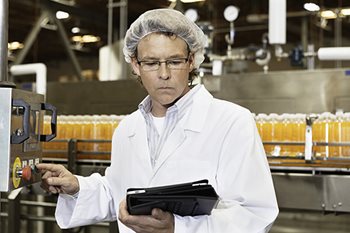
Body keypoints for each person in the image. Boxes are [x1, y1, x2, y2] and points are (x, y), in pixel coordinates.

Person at [37, 8, 279, 233]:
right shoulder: (128, 128)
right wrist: (77, 187)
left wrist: (177, 228)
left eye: (174, 61)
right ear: (135, 64)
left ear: (192, 60)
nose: (164, 74)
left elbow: (256, 215)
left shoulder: (232, 122)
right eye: (151, 63)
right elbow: (118, 193)